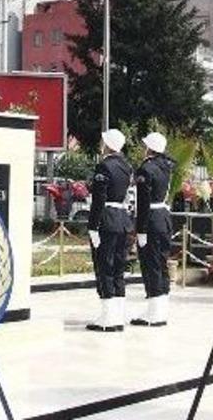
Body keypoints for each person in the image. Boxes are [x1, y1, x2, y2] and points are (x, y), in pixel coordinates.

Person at [86, 129, 135, 332]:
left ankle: (108, 317)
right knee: (118, 268)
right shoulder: (127, 166)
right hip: (122, 220)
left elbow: (99, 199)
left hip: (106, 220)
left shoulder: (104, 166)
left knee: (104, 266)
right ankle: (118, 315)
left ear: (107, 144)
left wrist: (92, 226)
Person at [131, 132, 175, 327]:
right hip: (163, 218)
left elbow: (143, 202)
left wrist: (140, 229)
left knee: (151, 265)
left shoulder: (146, 169)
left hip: (150, 220)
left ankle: (155, 312)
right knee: (161, 263)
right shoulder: (166, 166)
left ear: (150, 148)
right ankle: (159, 308)